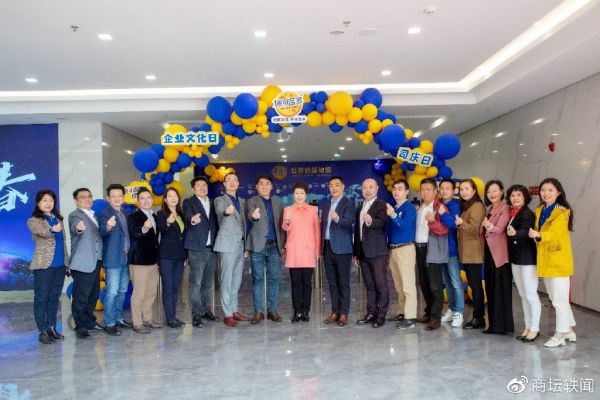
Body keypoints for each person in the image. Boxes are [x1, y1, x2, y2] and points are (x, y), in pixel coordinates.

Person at [528, 178, 576, 348]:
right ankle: (569, 330)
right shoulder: (540, 209)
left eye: (550, 190)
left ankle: (560, 334)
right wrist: (537, 236)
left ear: (558, 192)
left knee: (559, 300)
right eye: (543, 190)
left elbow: (555, 235)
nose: (546, 193)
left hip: (558, 262)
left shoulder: (562, 212)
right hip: (545, 260)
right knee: (556, 298)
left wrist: (539, 235)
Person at [27, 189, 69, 344]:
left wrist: (67, 263)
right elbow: (41, 232)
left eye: (51, 200)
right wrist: (51, 229)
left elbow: (63, 243)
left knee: (54, 298)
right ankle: (42, 330)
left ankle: (52, 327)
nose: (48, 203)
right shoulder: (34, 220)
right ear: (38, 203)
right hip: (44, 266)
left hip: (60, 265)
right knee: (41, 298)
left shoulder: (58, 219)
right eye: (44, 200)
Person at [246, 175, 285, 324]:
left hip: (275, 246)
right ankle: (258, 312)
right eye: (261, 183)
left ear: (271, 186)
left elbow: (282, 224)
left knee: (274, 279)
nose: (264, 186)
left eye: (267, 183)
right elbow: (250, 216)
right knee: (258, 279)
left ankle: (272, 310)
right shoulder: (252, 201)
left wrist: (283, 244)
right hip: (257, 245)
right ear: (257, 187)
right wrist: (254, 217)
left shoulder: (278, 202)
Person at [319, 176, 355, 327]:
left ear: (343, 186)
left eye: (337, 185)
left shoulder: (348, 202)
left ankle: (344, 313)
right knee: (332, 283)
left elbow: (349, 223)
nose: (334, 188)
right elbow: (322, 227)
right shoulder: (326, 204)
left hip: (342, 248)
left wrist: (337, 218)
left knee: (343, 283)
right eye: (331, 185)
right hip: (327, 247)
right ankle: (335, 312)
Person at [282, 182, 321, 322]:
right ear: (293, 195)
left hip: (308, 250)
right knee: (295, 283)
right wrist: (287, 222)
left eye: (302, 193)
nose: (299, 196)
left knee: (307, 283)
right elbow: (285, 228)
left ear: (306, 195)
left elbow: (317, 230)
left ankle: (306, 311)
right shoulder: (287, 209)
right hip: (294, 250)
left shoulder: (312, 210)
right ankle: (297, 311)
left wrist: (317, 250)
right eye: (296, 193)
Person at [183, 176, 219, 328]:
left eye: (204, 185)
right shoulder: (189, 202)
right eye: (199, 185)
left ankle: (206, 310)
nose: (203, 187)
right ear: (193, 189)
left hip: (212, 248)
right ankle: (196, 314)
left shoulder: (213, 202)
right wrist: (193, 219)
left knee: (207, 283)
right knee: (195, 284)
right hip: (196, 248)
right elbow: (187, 216)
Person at [353, 178, 389, 328]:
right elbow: (357, 232)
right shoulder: (359, 207)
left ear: (377, 189)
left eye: (370, 187)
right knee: (369, 285)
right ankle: (370, 313)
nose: (367, 190)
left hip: (377, 251)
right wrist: (356, 253)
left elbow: (383, 223)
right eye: (365, 188)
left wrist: (370, 221)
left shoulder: (381, 205)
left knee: (381, 284)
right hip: (363, 252)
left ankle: (381, 316)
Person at [506, 185, 540, 343]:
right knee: (523, 294)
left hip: (527, 259)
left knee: (531, 294)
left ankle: (534, 328)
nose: (515, 198)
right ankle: (528, 327)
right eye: (513, 195)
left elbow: (526, 231)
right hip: (516, 259)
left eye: (519, 195)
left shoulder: (527, 213)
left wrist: (515, 233)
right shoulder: (514, 212)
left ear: (525, 197)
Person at [214, 172, 248, 327]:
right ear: (224, 184)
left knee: (236, 280)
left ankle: (234, 309)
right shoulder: (220, 200)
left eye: (235, 180)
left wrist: (246, 245)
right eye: (229, 180)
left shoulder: (242, 201)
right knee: (226, 280)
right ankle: (227, 313)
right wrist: (226, 212)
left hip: (240, 244)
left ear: (238, 183)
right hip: (227, 244)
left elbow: (244, 224)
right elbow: (221, 211)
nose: (232, 182)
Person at [68, 188, 103, 339]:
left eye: (89, 196)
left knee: (93, 295)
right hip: (83, 262)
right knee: (81, 297)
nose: (87, 199)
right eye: (83, 197)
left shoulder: (94, 215)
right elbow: (76, 226)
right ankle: (80, 326)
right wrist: (79, 228)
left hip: (96, 261)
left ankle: (89, 321)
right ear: (76, 200)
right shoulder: (75, 215)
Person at [98, 183, 132, 336]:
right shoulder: (105, 213)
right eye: (114, 196)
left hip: (125, 258)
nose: (117, 198)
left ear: (123, 197)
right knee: (112, 292)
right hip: (112, 259)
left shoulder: (125, 213)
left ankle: (119, 318)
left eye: (119, 196)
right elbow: (102, 231)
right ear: (108, 198)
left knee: (122, 291)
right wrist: (108, 226)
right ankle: (109, 322)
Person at [481, 180, 513, 335]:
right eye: (489, 192)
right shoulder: (488, 209)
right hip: (488, 253)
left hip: (499, 255)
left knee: (500, 290)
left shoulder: (505, 208)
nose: (492, 194)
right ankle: (493, 325)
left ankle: (502, 326)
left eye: (495, 191)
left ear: (502, 191)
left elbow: (500, 229)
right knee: (491, 288)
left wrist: (488, 226)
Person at [127, 187, 161, 334]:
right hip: (139, 261)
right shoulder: (134, 217)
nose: (146, 201)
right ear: (137, 201)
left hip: (153, 260)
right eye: (142, 198)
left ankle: (148, 319)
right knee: (139, 293)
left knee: (151, 292)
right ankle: (137, 322)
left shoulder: (155, 216)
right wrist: (144, 228)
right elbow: (135, 233)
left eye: (148, 198)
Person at [385, 179, 417, 329]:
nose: (396, 191)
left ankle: (410, 317)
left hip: (405, 249)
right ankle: (403, 312)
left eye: (400, 188)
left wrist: (393, 215)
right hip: (393, 249)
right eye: (395, 188)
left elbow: (404, 226)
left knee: (408, 285)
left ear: (407, 191)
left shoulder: (409, 208)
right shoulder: (394, 208)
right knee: (398, 285)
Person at [455, 179, 486, 330]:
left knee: (475, 286)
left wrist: (461, 223)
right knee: (474, 285)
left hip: (473, 253)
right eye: (461, 189)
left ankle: (479, 318)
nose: (464, 192)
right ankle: (477, 317)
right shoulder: (467, 206)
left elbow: (475, 229)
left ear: (474, 190)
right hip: (467, 253)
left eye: (467, 188)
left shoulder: (477, 206)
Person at [420, 178, 449, 331]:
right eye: (422, 189)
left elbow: (444, 229)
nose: (425, 192)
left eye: (428, 189)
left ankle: (435, 317)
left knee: (435, 285)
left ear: (435, 191)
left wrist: (432, 221)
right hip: (419, 248)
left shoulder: (440, 207)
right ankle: (428, 312)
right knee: (424, 283)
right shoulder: (420, 206)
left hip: (433, 249)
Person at [157, 187, 187, 328]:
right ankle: (170, 318)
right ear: (165, 199)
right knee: (168, 288)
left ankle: (173, 316)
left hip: (180, 256)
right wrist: (168, 222)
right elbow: (162, 229)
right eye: (169, 196)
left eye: (175, 196)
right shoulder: (161, 214)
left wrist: (185, 256)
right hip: (166, 256)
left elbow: (184, 236)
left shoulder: (182, 215)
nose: (173, 198)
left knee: (175, 288)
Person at [438, 178, 465, 328]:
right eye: (442, 188)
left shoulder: (455, 205)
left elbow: (453, 224)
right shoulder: (438, 204)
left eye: (447, 188)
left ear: (454, 190)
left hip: (452, 249)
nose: (444, 191)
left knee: (455, 282)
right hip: (440, 249)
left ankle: (459, 312)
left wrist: (443, 214)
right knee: (446, 282)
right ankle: (451, 308)